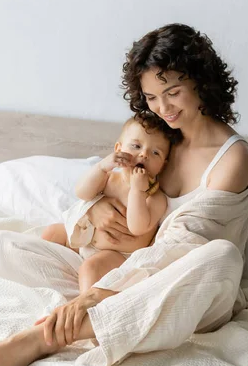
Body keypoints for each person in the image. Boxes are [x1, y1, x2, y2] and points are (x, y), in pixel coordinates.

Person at [0, 23, 248, 366]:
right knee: (3, 247)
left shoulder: (232, 158)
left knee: (222, 257)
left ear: (200, 82)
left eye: (173, 91)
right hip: (123, 271)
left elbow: (183, 246)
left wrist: (95, 294)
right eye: (151, 97)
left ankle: (45, 337)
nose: (163, 108)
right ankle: (114, 313)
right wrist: (92, 209)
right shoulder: (156, 142)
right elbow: (103, 186)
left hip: (189, 289)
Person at [40, 117, 171, 292]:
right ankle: (50, 276)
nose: (144, 154)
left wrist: (137, 191)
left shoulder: (155, 197)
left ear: (163, 166)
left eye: (156, 153)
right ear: (118, 149)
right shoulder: (109, 177)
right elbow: (82, 193)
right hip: (85, 240)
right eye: (136, 146)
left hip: (117, 256)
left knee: (90, 268)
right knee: (51, 233)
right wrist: (102, 167)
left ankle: (85, 304)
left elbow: (137, 227)